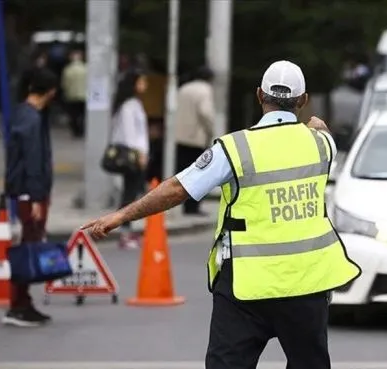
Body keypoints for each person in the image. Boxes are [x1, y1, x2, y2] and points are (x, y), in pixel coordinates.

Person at [82, 60, 361, 368]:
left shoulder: (235, 148)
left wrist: (120, 217)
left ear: (259, 95)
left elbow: (177, 189)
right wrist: (315, 125)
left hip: (246, 285)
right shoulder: (322, 145)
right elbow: (319, 130)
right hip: (308, 284)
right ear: (303, 100)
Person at [3, 68, 58, 327]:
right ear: (50, 92)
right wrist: (36, 198)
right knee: (28, 247)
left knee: (29, 244)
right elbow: (33, 161)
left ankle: (22, 302)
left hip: (25, 191)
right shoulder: (32, 119)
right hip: (30, 193)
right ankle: (18, 306)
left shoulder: (23, 113)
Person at [108, 69, 150, 249]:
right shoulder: (129, 105)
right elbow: (130, 133)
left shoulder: (134, 103)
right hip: (132, 155)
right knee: (129, 195)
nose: (145, 84)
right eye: (141, 81)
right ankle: (124, 232)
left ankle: (127, 230)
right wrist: (139, 154)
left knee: (132, 193)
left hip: (137, 154)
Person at [174, 65, 216, 216]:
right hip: (196, 138)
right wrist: (210, 131)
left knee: (182, 172)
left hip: (179, 136)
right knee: (198, 173)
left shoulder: (183, 88)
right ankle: (193, 207)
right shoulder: (205, 90)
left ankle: (183, 204)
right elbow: (206, 113)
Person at [61, 50, 87, 138]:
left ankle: (76, 131)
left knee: (73, 115)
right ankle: (82, 130)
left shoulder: (67, 70)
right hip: (84, 95)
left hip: (71, 95)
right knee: (83, 114)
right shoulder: (86, 69)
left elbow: (65, 84)